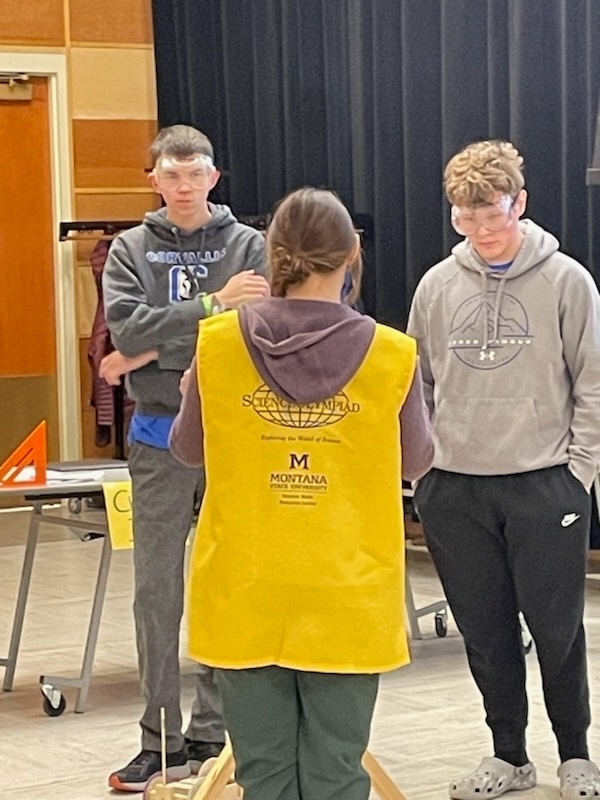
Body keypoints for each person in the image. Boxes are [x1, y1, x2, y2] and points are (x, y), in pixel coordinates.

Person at [169, 186, 434, 800]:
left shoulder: (218, 342)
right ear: (352, 255)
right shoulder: (392, 354)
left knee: (261, 774)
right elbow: (418, 461)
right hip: (347, 590)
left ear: (273, 255)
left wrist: (195, 392)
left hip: (245, 583)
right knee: (337, 772)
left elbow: (186, 450)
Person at [407, 139, 600, 800]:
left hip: (546, 482)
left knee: (556, 630)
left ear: (520, 202)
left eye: (493, 214)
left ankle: (575, 753)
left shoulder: (567, 281)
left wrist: (579, 471)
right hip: (456, 488)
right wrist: (426, 473)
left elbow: (594, 382)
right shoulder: (436, 286)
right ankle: (508, 754)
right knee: (486, 632)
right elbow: (419, 385)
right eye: (466, 218)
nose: (483, 230)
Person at [101, 124, 270, 792]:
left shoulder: (247, 244)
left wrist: (189, 345)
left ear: (213, 176)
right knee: (156, 591)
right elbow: (128, 330)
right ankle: (159, 739)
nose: (182, 187)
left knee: (225, 584)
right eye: (170, 175)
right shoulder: (129, 249)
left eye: (194, 173)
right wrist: (211, 307)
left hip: (232, 436)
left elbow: (257, 326)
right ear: (154, 180)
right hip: (156, 437)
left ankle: (212, 732)